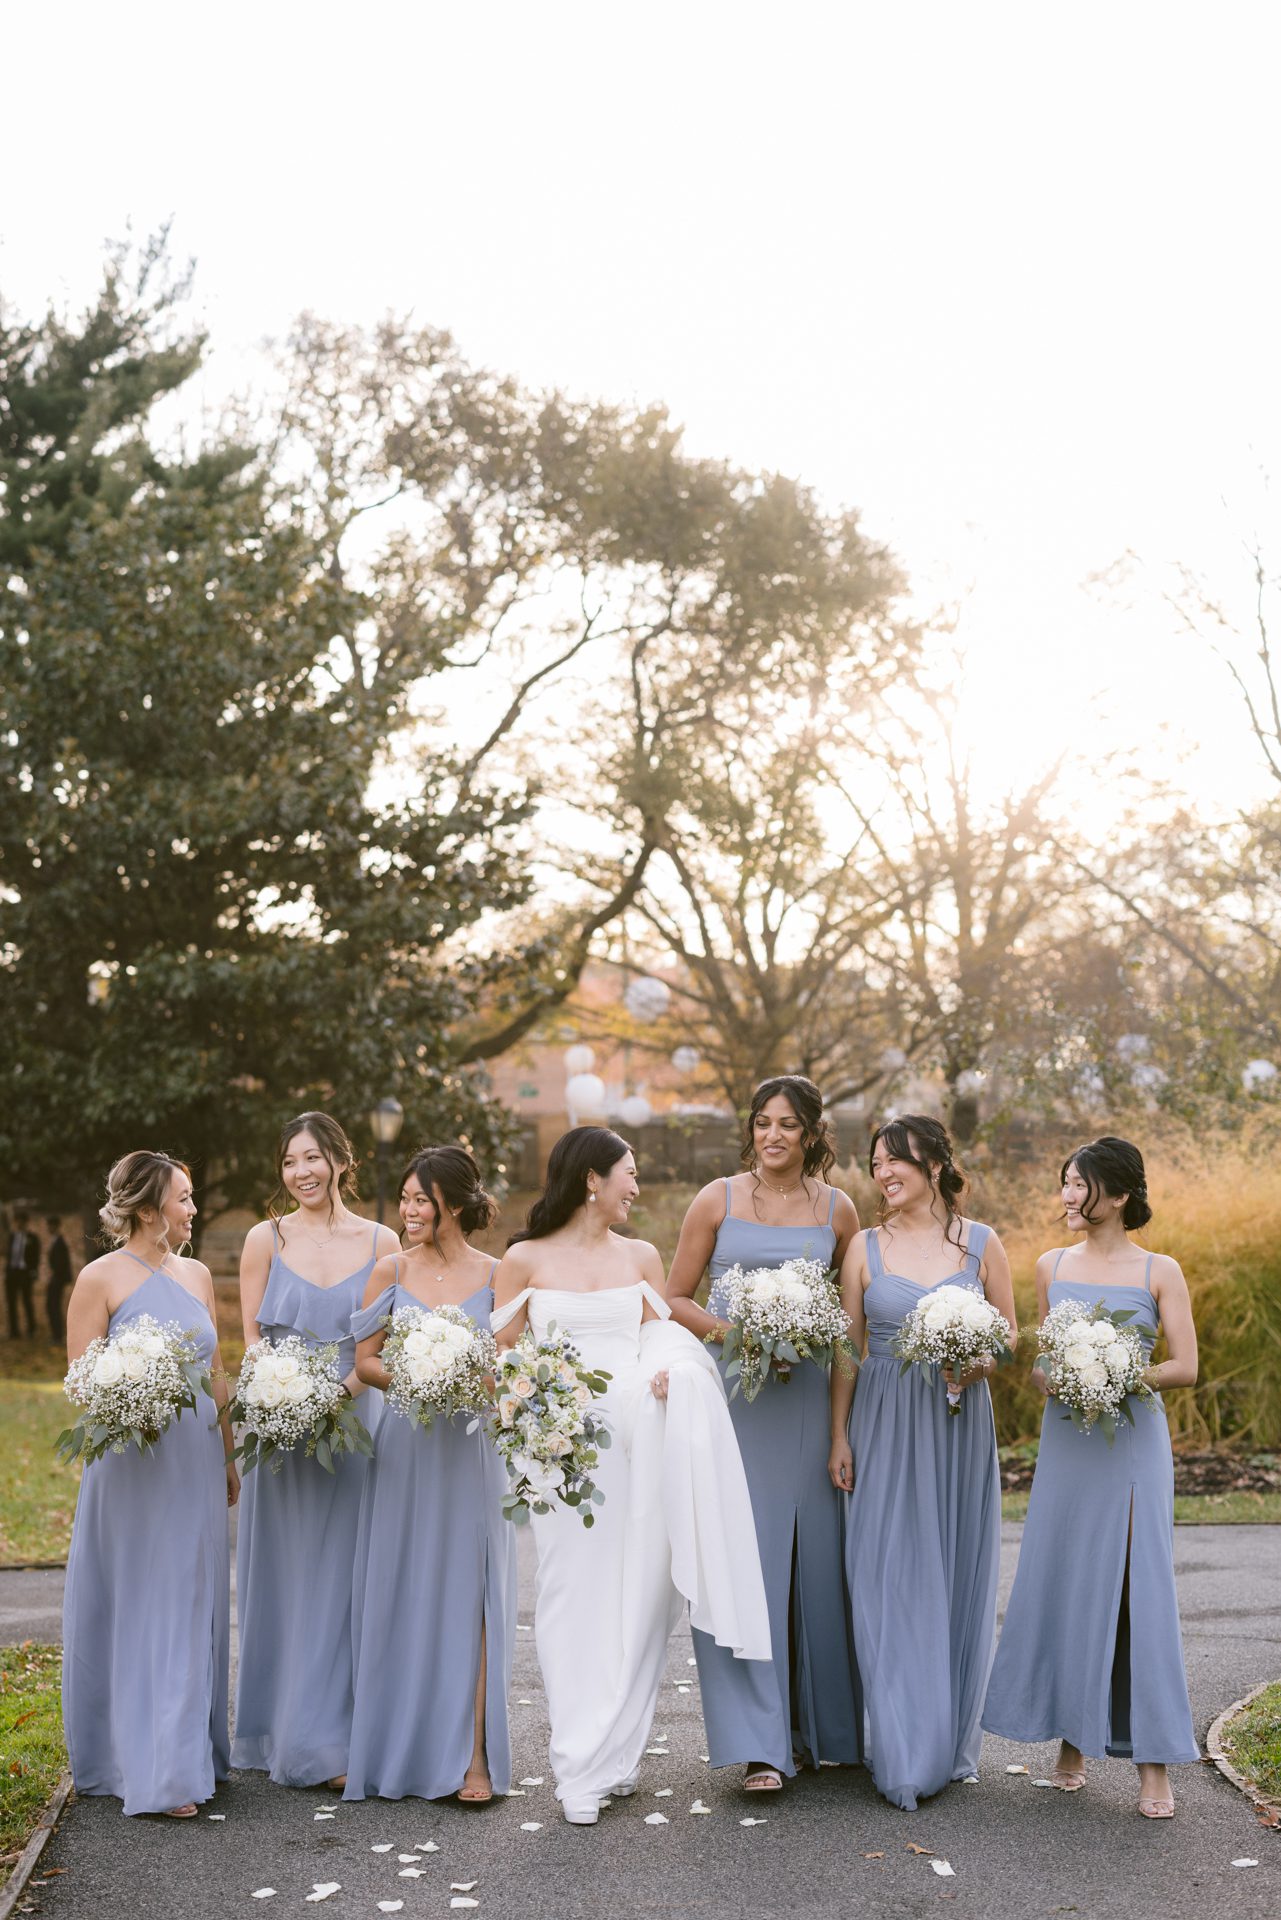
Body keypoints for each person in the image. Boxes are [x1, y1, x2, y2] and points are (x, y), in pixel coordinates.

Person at [491, 1126, 771, 1825]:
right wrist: (530, 1407)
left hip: (641, 1447)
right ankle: (578, 1765)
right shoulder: (523, 1259)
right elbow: (496, 1358)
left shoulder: (640, 1255)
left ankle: (615, 1754)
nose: (636, 1187)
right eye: (629, 1174)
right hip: (564, 1459)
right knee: (570, 1598)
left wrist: (672, 1374)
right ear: (593, 1179)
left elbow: (662, 1337)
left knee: (644, 1600)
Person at [982, 1136, 1199, 1817]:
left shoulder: (1159, 1270)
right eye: (1064, 1184)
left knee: (1138, 1590)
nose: (1066, 1197)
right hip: (1067, 1442)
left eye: (1078, 1185)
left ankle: (1153, 1766)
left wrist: (1114, 1374)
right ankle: (1071, 1745)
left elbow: (1185, 1366)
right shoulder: (1049, 1265)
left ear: (1119, 1193)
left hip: (1131, 1443)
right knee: (1069, 1580)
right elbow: (1042, 1366)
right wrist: (1063, 1375)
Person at [666, 1073, 862, 1792]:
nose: (772, 1136)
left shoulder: (839, 1211)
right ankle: (759, 1745)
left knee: (813, 1568)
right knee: (742, 1564)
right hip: (736, 1405)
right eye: (761, 1123)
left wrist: (841, 1432)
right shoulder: (714, 1199)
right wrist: (738, 1333)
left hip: (808, 1407)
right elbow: (673, 1298)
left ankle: (819, 1730)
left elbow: (849, 1326)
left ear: (811, 1133)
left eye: (786, 1125)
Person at [829, 1114, 1016, 1810]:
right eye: (875, 1162)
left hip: (954, 1422)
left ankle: (938, 1740)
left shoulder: (982, 1244)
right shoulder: (862, 1248)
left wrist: (977, 1361)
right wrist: (838, 1436)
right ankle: (902, 1747)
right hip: (880, 1417)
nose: (882, 1173)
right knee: (884, 1574)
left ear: (934, 1165)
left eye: (895, 1161)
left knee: (949, 1570)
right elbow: (847, 1352)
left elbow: (1007, 1332)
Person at [61, 1151, 238, 1817]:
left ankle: (185, 1748)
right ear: (147, 1210)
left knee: (189, 1598)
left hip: (192, 1462)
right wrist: (133, 1393)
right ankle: (152, 1767)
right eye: (184, 1199)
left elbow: (217, 1369)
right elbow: (82, 1382)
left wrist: (226, 1456)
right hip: (131, 1466)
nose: (193, 1209)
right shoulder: (98, 1279)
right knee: (144, 1598)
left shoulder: (195, 1274)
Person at [232, 1112, 400, 1790]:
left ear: (338, 1160)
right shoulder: (262, 1239)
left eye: (312, 1158)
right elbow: (251, 1341)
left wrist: (340, 1392)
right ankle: (291, 1732)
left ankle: (343, 1737)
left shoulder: (384, 1241)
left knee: (350, 1579)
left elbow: (385, 1345)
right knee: (291, 1576)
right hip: (281, 1426)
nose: (301, 1173)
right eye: (289, 1162)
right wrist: (283, 1398)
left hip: (358, 1422)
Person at [344, 1145, 515, 1805]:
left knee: (470, 1597)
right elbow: (365, 1361)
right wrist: (422, 1373)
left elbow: (508, 1365)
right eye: (406, 1198)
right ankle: (400, 1750)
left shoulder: (500, 1274)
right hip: (406, 1448)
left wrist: (471, 1378)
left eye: (421, 1199)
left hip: (470, 1452)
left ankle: (473, 1757)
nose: (409, 1210)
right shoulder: (387, 1270)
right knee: (404, 1590)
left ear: (455, 1202)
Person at [5, 1209, 39, 1339]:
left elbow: (36, 1256)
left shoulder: (32, 1238)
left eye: (22, 1221)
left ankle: (31, 1329)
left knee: (27, 1301)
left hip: (25, 1273)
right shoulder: (12, 1236)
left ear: (26, 1223)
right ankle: (14, 1331)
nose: (19, 1223)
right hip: (12, 1272)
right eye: (17, 1221)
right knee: (11, 1302)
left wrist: (33, 1271)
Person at [45, 1215, 72, 1344]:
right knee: (52, 1305)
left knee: (53, 1305)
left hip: (58, 1279)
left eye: (50, 1225)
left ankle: (58, 1335)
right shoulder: (55, 1241)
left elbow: (61, 1263)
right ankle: (56, 1334)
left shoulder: (60, 1242)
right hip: (56, 1278)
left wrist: (56, 1277)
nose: (48, 1228)